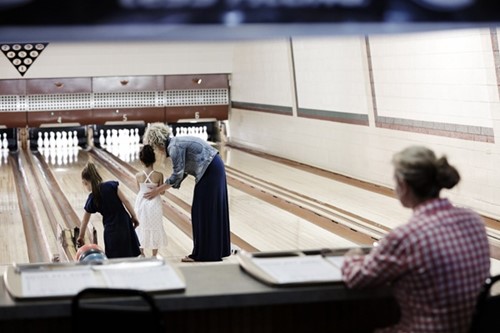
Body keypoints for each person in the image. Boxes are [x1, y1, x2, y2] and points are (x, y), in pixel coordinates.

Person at [341, 145, 491, 333]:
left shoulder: (405, 237)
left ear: (403, 185)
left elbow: (357, 278)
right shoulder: (473, 220)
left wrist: (352, 256)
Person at [142, 122, 231, 262]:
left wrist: (157, 190)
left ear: (157, 143)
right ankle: (218, 250)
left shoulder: (173, 148)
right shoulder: (175, 143)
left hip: (209, 171)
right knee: (210, 210)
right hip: (214, 167)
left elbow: (177, 174)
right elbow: (182, 172)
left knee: (201, 212)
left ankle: (203, 255)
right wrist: (164, 187)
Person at [77, 162, 141, 259]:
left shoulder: (92, 198)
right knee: (130, 254)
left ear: (85, 182)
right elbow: (126, 201)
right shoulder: (111, 185)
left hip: (111, 229)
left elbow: (85, 220)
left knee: (114, 258)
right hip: (125, 223)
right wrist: (134, 216)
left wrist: (81, 236)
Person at [134, 144, 169, 258]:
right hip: (154, 204)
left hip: (141, 203)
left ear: (141, 160)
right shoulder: (159, 175)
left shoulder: (138, 175)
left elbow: (139, 190)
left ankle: (142, 253)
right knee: (155, 226)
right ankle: (154, 255)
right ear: (154, 159)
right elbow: (162, 192)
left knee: (141, 226)